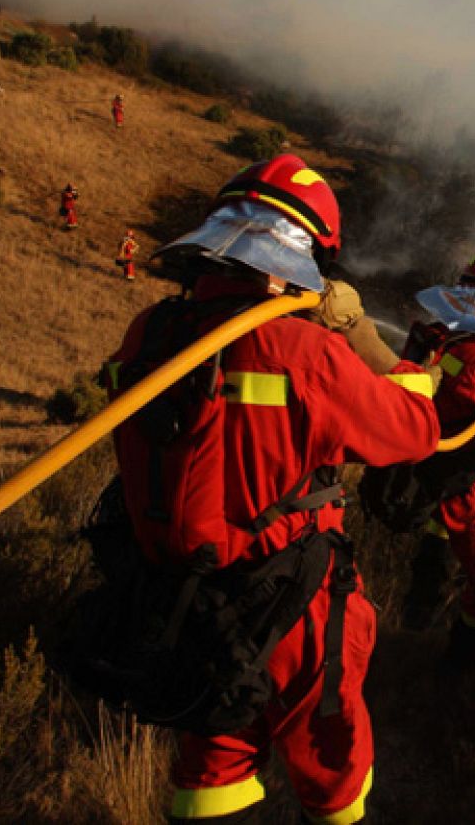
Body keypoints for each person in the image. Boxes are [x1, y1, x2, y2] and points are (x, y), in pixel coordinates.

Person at [105, 154, 442, 824]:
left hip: (182, 596)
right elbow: (413, 432)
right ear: (293, 258)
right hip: (294, 602)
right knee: (331, 755)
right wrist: (359, 335)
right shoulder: (304, 352)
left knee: (213, 752)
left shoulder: (150, 332)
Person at [363, 247, 475, 653]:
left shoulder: (438, 336)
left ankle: (418, 616)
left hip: (425, 472)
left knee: (438, 545)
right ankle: (469, 656)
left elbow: (456, 388)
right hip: (460, 483)